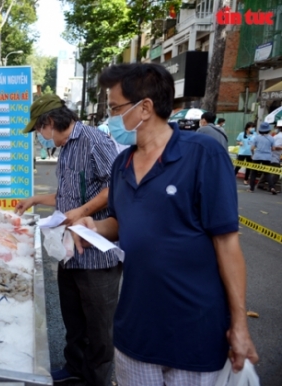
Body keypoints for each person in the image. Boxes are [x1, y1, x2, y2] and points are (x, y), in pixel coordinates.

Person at [72, 63, 258, 384]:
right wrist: (94, 227)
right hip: (136, 331)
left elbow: (228, 245)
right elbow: (119, 221)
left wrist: (239, 325)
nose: (111, 119)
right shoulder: (122, 164)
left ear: (144, 108)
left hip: (196, 332)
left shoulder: (203, 155)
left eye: (115, 108)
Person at [14, 95, 121, 385]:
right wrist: (36, 199)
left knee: (99, 325)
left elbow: (117, 187)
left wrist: (82, 212)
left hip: (97, 250)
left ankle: (96, 378)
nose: (40, 137)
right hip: (70, 249)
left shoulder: (94, 141)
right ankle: (75, 368)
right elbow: (69, 194)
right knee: (73, 318)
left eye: (38, 130)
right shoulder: (64, 148)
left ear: (49, 123)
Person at [248, 122, 276, 194]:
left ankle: (251, 188)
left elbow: (252, 148)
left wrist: (252, 154)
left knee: (253, 173)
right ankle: (272, 187)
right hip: (267, 157)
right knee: (267, 173)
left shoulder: (256, 137)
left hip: (257, 156)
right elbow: (273, 148)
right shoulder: (271, 138)